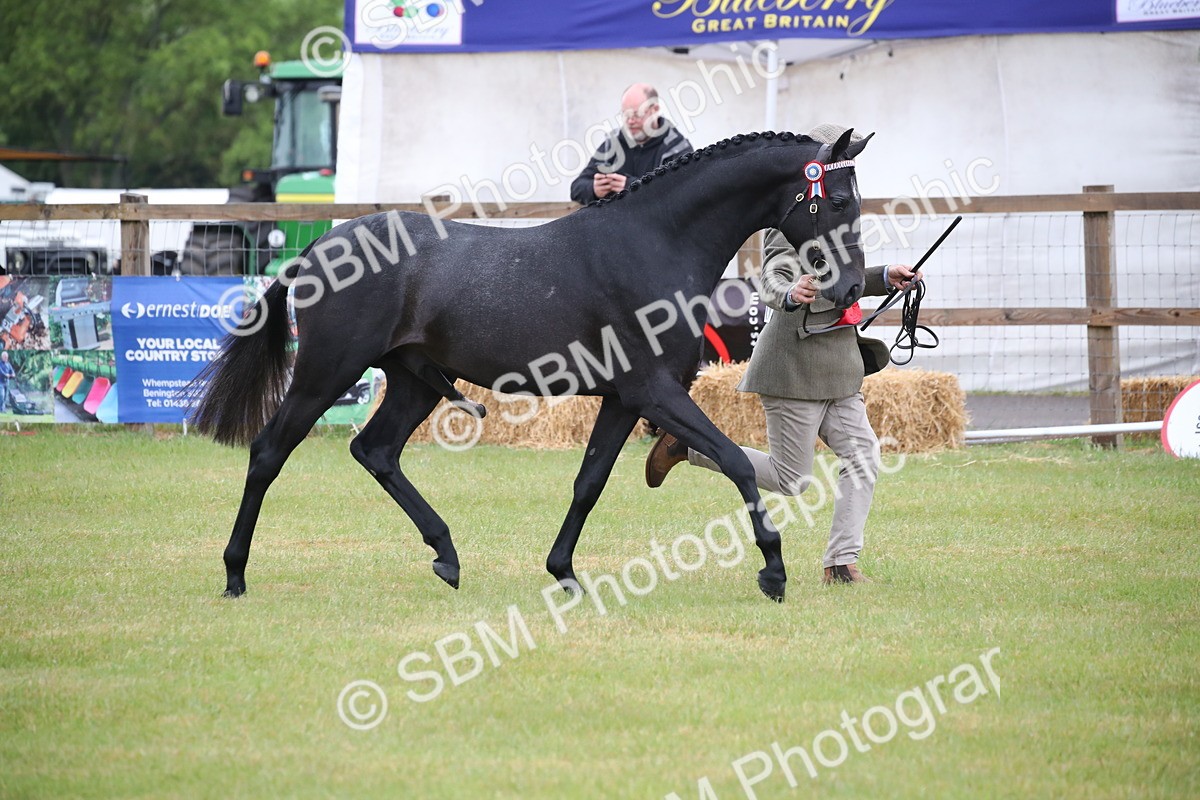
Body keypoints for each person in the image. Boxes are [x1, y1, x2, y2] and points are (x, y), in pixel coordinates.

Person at [644, 125, 924, 586]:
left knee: (863, 457)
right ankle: (689, 447)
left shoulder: (840, 215)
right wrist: (792, 292)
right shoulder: (790, 219)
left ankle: (841, 563)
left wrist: (884, 276)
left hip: (841, 367)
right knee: (792, 481)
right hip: (793, 368)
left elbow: (846, 276)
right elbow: (771, 276)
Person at [570, 83, 694, 205]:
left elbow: (682, 195)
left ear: (655, 110)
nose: (630, 121)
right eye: (626, 114)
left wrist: (633, 187)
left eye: (636, 114)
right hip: (616, 224)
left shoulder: (678, 148)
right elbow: (576, 188)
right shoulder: (613, 143)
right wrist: (594, 189)